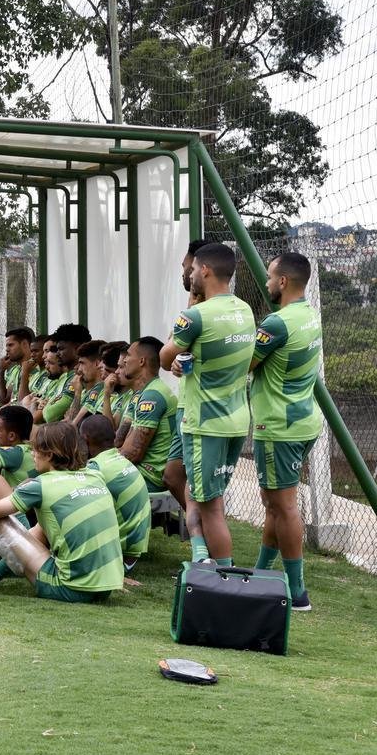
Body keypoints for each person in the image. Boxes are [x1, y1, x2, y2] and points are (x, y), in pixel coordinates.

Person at [160, 242, 255, 566]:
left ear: (204, 270)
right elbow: (204, 355)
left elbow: (164, 357)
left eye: (191, 268)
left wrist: (177, 352)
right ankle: (203, 558)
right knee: (199, 491)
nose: (188, 273)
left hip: (204, 420)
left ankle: (223, 577)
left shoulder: (195, 316)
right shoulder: (245, 311)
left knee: (210, 505)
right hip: (236, 418)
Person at [0, 421, 124, 602]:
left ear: (49, 455)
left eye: (35, 450)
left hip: (68, 587)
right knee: (47, 523)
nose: (32, 455)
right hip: (104, 589)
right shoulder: (95, 476)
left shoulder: (42, 485)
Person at [250, 252, 323, 612]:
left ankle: (297, 594)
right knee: (275, 506)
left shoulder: (276, 324)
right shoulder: (310, 315)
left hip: (278, 427)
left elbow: (245, 363)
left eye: (268, 277)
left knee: (284, 506)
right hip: (304, 420)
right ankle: (260, 575)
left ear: (282, 282)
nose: (265, 283)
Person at [161, 239, 209, 516]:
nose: (183, 272)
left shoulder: (203, 309)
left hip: (203, 410)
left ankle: (205, 540)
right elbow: (172, 350)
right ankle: (199, 532)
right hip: (186, 403)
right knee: (173, 475)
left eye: (185, 266)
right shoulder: (192, 304)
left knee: (202, 485)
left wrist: (173, 357)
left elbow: (167, 353)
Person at [81, 414, 151, 571]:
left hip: (117, 560)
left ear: (85, 440)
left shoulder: (97, 468)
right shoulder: (119, 460)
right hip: (131, 554)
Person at [113, 338, 179, 503]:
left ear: (141, 361)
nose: (125, 360)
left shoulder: (152, 395)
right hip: (139, 471)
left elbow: (133, 453)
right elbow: (119, 440)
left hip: (150, 477)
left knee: (91, 483)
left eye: (128, 355)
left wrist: (102, 465)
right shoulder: (140, 393)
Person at [69, 339, 106, 426]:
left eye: (82, 363)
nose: (79, 369)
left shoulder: (100, 388)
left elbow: (72, 424)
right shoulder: (91, 389)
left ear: (97, 364)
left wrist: (77, 393)